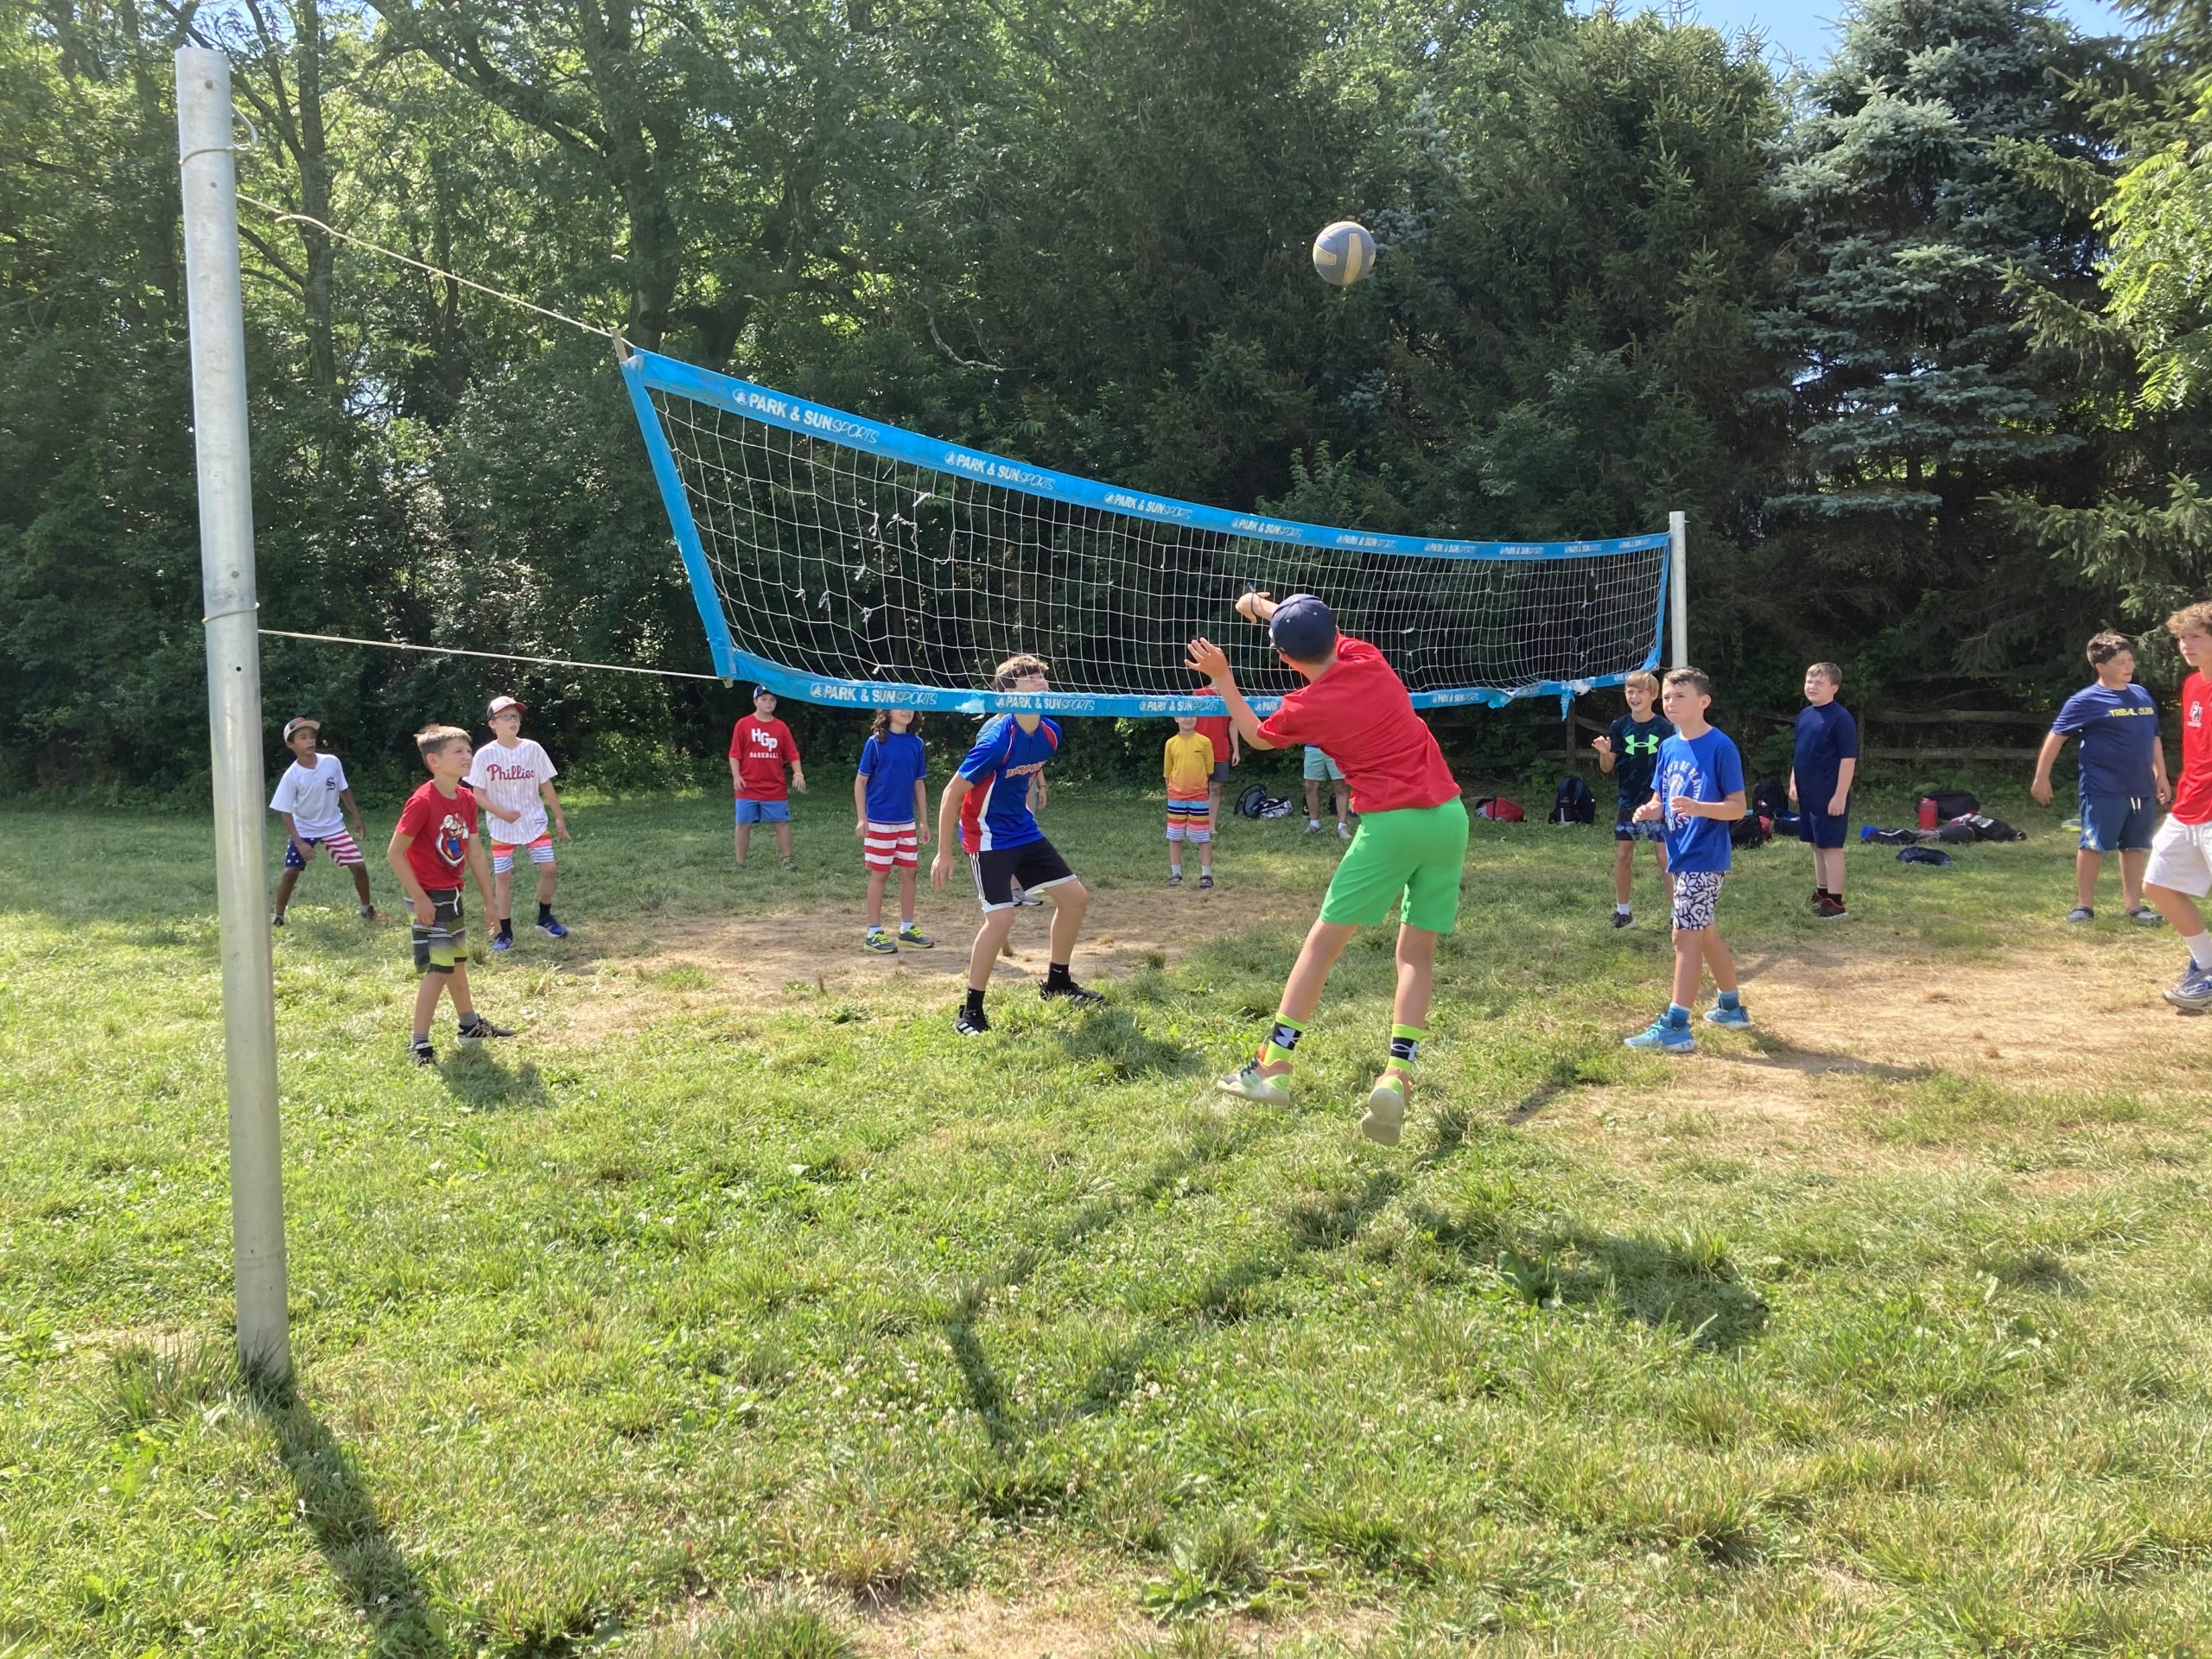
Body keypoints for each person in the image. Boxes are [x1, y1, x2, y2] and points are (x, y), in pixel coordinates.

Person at [1190, 593, 1468, 1147]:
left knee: (1321, 947)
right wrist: (1264, 607)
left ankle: (1273, 1067)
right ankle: (1397, 1074)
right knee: (1415, 954)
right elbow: (1315, 634)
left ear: (1285, 659)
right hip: (1449, 817)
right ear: (1334, 631)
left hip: (1391, 825)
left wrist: (1222, 677)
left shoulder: (1306, 706)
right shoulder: (1369, 659)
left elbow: (1255, 735)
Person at [930, 654, 1102, 1033]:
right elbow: (952, 793)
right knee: (1001, 918)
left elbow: (1021, 777)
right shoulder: (996, 740)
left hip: (1023, 830)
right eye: (1030, 678)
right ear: (1009, 694)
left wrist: (1030, 796)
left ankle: (1058, 984)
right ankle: (971, 1010)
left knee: (1075, 899)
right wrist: (944, 852)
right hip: (986, 836)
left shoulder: (1050, 733)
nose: (1041, 682)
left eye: (1042, 676)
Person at [1624, 668, 1750, 1052]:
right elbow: (1661, 799)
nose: (1670, 703)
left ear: (1704, 702)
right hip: (1680, 855)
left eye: (1680, 696)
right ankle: (1731, 1008)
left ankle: (1676, 1027)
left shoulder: (1721, 747)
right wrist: (1651, 809)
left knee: (1683, 935)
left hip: (1704, 856)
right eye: (1667, 697)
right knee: (1704, 932)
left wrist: (1699, 807)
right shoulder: (1668, 747)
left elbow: (1737, 807)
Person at [386, 725, 511, 1066]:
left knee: (455, 961)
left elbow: (475, 853)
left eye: (468, 750)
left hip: (451, 893)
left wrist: (490, 902)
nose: (468, 756)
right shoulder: (422, 801)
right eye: (458, 751)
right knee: (439, 968)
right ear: (434, 761)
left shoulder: (467, 799)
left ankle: (469, 1026)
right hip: (427, 895)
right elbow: (395, 853)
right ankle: (419, 1043)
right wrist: (419, 898)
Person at [2031, 632, 2170, 925]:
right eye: (2120, 662)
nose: (2128, 667)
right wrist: (2042, 777)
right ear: (2100, 666)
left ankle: (2134, 906)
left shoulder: (2142, 695)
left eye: (2130, 660)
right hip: (2103, 787)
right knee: (2093, 845)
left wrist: (2161, 774)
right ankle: (2084, 906)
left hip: (2141, 787)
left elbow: (2153, 738)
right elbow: (2056, 737)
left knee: (2135, 846)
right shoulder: (2085, 700)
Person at [2144, 603, 2212, 1008]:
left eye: (2196, 637)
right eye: (2182, 638)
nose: (2186, 645)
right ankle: (2206, 965)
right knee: (2157, 884)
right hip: (2189, 805)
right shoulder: (2192, 685)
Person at [467, 696, 570, 951]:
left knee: (549, 868)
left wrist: (558, 817)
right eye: (505, 717)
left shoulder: (533, 749)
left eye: (515, 716)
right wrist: (501, 813)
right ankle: (505, 932)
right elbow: (478, 794)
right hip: (501, 827)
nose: (512, 721)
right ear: (492, 724)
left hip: (533, 821)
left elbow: (546, 784)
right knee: (503, 876)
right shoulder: (485, 755)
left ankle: (545, 917)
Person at [268, 715, 380, 926]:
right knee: (290, 872)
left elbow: (344, 790)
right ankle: (279, 916)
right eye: (303, 737)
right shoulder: (292, 776)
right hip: (304, 829)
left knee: (358, 866)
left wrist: (357, 817)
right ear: (291, 744)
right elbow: (285, 813)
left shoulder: (331, 763)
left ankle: (366, 908)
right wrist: (300, 843)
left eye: (312, 736)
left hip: (333, 827)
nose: (310, 741)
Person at [1589, 671, 1672, 928]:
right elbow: (1607, 767)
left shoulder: (1665, 728)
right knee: (1623, 855)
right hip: (1628, 801)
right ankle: (1623, 913)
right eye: (1630, 691)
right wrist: (1605, 753)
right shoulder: (1619, 726)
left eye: (1640, 692)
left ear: (1653, 695)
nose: (1634, 696)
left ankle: (1676, 914)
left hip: (1657, 801)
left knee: (1665, 857)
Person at [855, 708, 934, 953]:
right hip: (879, 821)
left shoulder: (916, 744)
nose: (906, 711)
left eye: (910, 706)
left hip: (906, 821)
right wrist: (862, 818)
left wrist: (924, 821)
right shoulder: (876, 743)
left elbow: (918, 784)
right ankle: (873, 932)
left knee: (910, 872)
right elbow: (861, 781)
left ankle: (907, 929)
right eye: (901, 706)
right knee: (880, 874)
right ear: (888, 712)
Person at [1788, 662, 1859, 919]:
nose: (1812, 686)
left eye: (1819, 683)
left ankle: (1836, 902)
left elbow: (1848, 760)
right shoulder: (1805, 715)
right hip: (1809, 793)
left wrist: (1839, 795)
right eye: (1809, 681)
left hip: (1829, 795)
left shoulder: (1841, 719)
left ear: (1834, 688)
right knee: (1816, 844)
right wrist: (1794, 781)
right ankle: (1822, 891)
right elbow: (1800, 752)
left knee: (1831, 846)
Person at [729, 686, 805, 869]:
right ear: (755, 702)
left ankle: (787, 860)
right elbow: (734, 754)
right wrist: (737, 776)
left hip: (774, 786)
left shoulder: (781, 727)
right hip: (748, 786)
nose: (768, 703)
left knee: (782, 823)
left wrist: (798, 773)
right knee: (743, 824)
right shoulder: (743, 724)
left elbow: (793, 754)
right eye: (764, 699)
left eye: (772, 700)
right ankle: (740, 862)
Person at [1163, 714, 1217, 889]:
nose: (1188, 719)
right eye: (1184, 715)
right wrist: (1173, 792)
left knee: (1203, 836)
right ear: (1176, 718)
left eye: (1192, 715)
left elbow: (1209, 770)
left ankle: (1206, 875)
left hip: (1199, 797)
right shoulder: (1171, 743)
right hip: (1176, 798)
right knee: (1175, 836)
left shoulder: (1205, 742)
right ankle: (1176, 874)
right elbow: (1167, 772)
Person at [1194, 704, 1239, 843]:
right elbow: (1187, 720)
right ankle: (1195, 825)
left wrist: (1236, 750)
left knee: (1216, 789)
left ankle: (1211, 827)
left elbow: (1233, 724)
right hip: (1198, 750)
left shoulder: (1229, 698)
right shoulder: (1199, 695)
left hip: (1220, 749)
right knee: (1196, 789)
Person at [1303, 746, 1351, 838]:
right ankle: (1314, 824)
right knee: (1310, 786)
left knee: (1340, 786)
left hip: (1336, 746)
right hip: (1313, 746)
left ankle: (1342, 826)